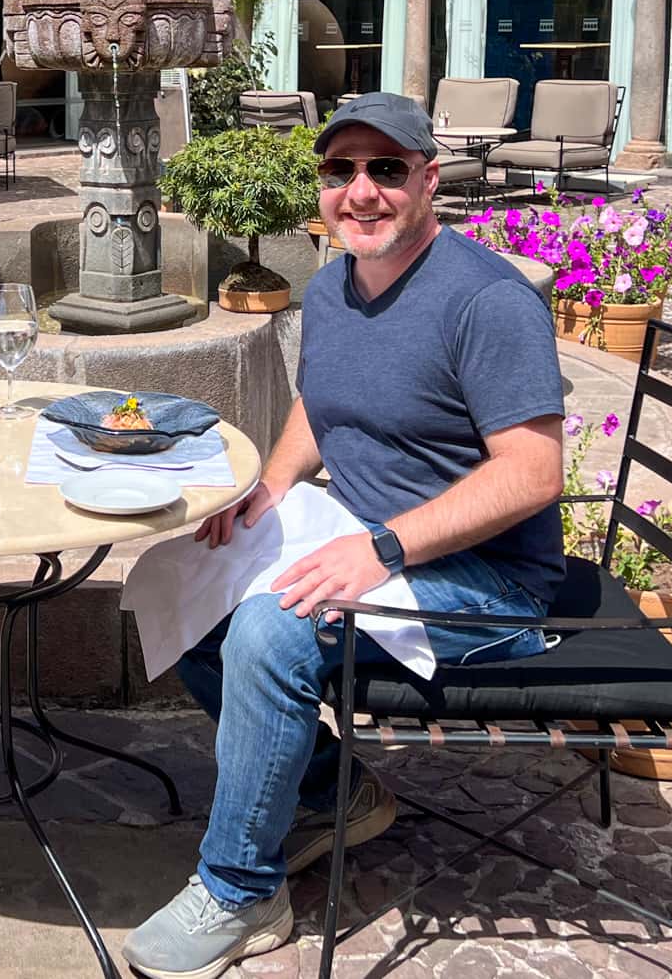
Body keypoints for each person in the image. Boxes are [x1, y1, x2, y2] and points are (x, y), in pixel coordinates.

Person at [124, 92, 566, 979]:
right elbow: (320, 407)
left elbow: (533, 473)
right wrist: (271, 487)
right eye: (341, 170)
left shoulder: (487, 301)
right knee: (177, 573)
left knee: (269, 627)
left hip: (485, 583)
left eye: (387, 169)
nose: (361, 191)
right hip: (370, 535)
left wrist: (383, 549)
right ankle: (334, 788)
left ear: (429, 180)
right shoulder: (332, 287)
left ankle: (242, 891)